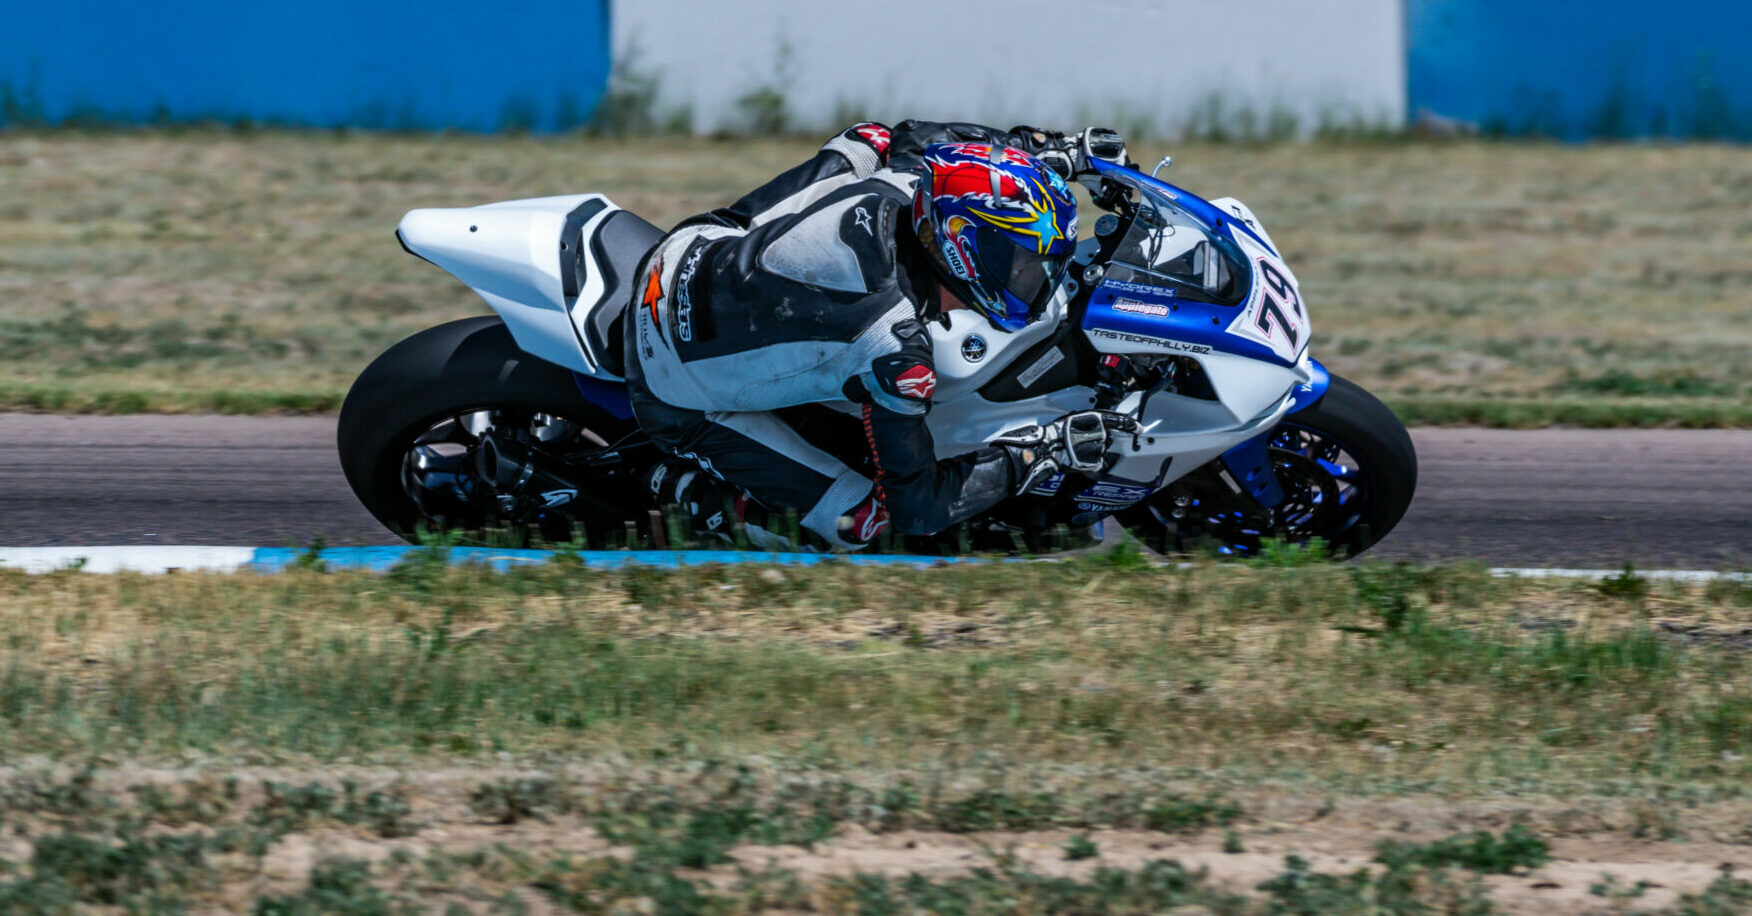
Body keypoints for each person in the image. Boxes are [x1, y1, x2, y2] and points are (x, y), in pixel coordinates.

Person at [625, 120, 1134, 549]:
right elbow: (919, 506)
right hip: (669, 383)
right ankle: (683, 491)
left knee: (871, 139)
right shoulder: (895, 345)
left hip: (689, 247)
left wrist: (1053, 151)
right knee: (865, 524)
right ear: (964, 245)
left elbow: (918, 135)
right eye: (1022, 265)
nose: (1034, 283)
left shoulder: (912, 182)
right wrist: (1041, 452)